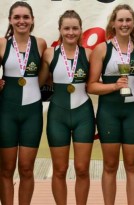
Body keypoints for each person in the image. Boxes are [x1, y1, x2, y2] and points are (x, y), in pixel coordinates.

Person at [87, 4, 134, 205]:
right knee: (110, 165)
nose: (124, 24)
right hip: (109, 113)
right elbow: (91, 86)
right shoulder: (102, 49)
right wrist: (114, 86)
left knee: (132, 165)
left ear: (133, 23)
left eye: (128, 20)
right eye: (120, 20)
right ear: (113, 23)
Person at [39, 10, 95, 205]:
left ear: (81, 30)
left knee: (81, 169)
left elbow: (97, 83)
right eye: (66, 28)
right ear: (60, 30)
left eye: (75, 28)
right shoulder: (49, 53)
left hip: (83, 115)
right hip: (58, 115)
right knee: (60, 169)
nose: (71, 32)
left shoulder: (89, 54)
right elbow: (37, 83)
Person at [0, 1, 47, 204]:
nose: (21, 21)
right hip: (6, 112)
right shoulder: (2, 44)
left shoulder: (41, 43)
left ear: (32, 20)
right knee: (6, 169)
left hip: (32, 113)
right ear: (10, 20)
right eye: (17, 17)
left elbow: (44, 77)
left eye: (25, 17)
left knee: (27, 168)